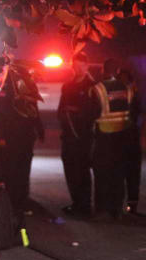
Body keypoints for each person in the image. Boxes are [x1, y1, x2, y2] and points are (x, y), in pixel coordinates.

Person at [0, 62, 45, 224]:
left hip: (13, 141)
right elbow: (34, 114)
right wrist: (39, 131)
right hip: (22, 140)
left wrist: (1, 138)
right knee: (21, 173)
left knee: (13, 173)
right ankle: (19, 203)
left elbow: (2, 119)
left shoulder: (5, 94)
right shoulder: (26, 91)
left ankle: (15, 203)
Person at [90, 58, 137, 219]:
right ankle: (116, 209)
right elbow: (133, 112)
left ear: (103, 70)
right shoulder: (128, 89)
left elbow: (93, 113)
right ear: (117, 71)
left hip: (104, 137)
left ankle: (102, 209)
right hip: (122, 137)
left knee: (102, 174)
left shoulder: (98, 89)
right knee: (118, 175)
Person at [57, 52, 97, 217]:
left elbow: (94, 111)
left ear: (86, 66)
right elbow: (61, 108)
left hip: (84, 136)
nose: (78, 69)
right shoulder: (68, 86)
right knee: (70, 170)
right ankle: (76, 203)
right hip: (68, 136)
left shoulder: (92, 86)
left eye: (81, 66)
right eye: (76, 65)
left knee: (82, 171)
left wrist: (76, 113)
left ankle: (85, 206)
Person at [118, 67, 142, 214]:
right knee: (121, 172)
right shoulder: (117, 96)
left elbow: (135, 115)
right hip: (120, 138)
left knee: (132, 173)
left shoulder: (135, 95)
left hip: (131, 138)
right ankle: (122, 202)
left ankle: (132, 203)